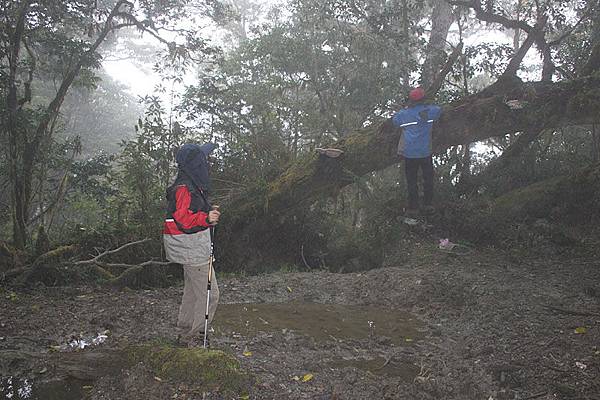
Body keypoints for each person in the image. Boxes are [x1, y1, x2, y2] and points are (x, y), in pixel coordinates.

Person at [163, 143, 221, 346]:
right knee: (210, 294)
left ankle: (184, 329)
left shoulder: (190, 182)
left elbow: (189, 212)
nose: (207, 162)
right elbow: (183, 218)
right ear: (195, 164)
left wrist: (207, 213)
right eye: (203, 159)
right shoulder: (184, 188)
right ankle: (195, 336)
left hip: (189, 245)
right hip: (190, 247)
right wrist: (206, 218)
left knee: (192, 291)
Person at [392, 87, 442, 215]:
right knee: (428, 178)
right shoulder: (430, 111)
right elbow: (439, 110)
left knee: (412, 180)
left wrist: (404, 109)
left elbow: (395, 121)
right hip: (425, 152)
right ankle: (428, 204)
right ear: (423, 99)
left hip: (409, 153)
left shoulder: (404, 114)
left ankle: (413, 207)